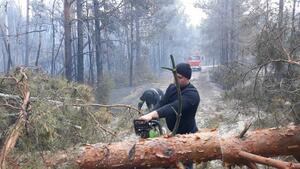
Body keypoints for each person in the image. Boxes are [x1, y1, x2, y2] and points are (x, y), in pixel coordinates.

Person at [139, 63, 200, 169]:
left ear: (187, 78)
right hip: (173, 134)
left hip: (188, 136)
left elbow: (172, 108)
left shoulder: (192, 95)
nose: (175, 79)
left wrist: (152, 115)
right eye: (175, 76)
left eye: (179, 77)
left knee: (185, 164)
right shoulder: (172, 87)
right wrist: (149, 115)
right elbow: (162, 103)